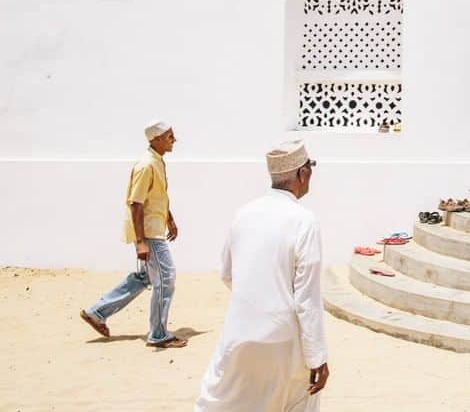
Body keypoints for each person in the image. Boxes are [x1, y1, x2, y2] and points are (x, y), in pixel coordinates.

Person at [194, 140, 329, 411]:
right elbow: (307, 299)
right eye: (310, 168)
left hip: (238, 334)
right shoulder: (304, 221)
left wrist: (256, 299)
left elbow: (227, 273)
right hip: (282, 340)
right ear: (302, 174)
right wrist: (318, 357)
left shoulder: (243, 214)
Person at [79, 121, 187, 348]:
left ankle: (97, 312)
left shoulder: (157, 162)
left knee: (147, 278)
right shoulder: (146, 165)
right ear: (156, 139)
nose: (174, 140)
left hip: (155, 229)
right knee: (166, 278)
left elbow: (157, 196)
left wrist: (170, 219)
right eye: (169, 136)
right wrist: (140, 242)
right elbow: (136, 204)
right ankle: (158, 334)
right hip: (149, 234)